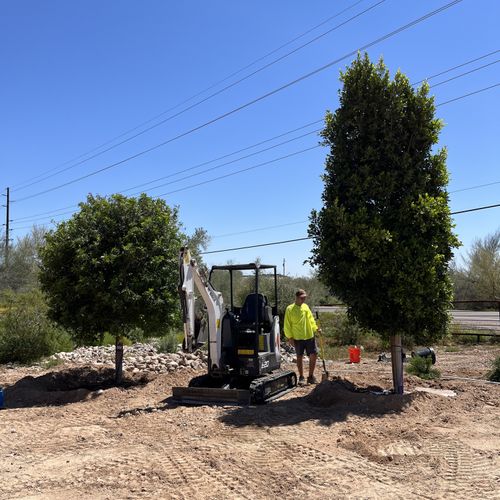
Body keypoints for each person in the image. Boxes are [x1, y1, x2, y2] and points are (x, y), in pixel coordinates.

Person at [284, 288, 320, 385]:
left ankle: (311, 376)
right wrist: (290, 337)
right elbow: (287, 325)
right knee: (299, 356)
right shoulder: (289, 309)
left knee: (314, 354)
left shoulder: (305, 307)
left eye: (305, 298)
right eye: (301, 298)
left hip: (309, 335)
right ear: (296, 297)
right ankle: (301, 377)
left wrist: (316, 328)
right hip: (297, 337)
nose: (303, 300)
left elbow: (311, 319)